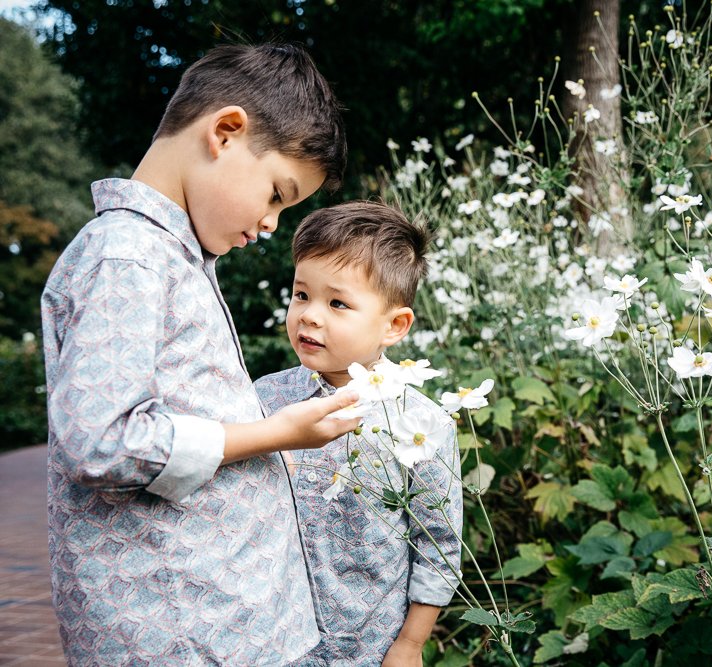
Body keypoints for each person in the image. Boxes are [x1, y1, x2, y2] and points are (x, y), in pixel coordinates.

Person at [41, 43, 361, 665]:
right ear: (225, 132)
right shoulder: (126, 256)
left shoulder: (170, 255)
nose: (271, 224)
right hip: (180, 627)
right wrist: (273, 434)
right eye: (276, 193)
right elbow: (101, 440)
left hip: (221, 616)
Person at [254, 202, 463, 667]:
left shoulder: (421, 424)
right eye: (301, 294)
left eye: (338, 303)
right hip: (271, 639)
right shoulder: (264, 399)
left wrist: (410, 644)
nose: (309, 315)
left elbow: (438, 542)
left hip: (368, 643)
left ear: (394, 325)